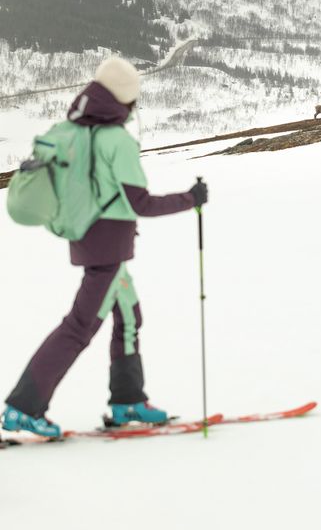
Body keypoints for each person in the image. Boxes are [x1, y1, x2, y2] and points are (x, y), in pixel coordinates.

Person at [2, 57, 208, 438]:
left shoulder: (72, 129)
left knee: (129, 317)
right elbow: (140, 203)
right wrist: (191, 198)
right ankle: (21, 408)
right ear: (126, 99)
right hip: (108, 248)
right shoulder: (116, 140)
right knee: (79, 327)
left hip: (89, 239)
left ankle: (127, 400)